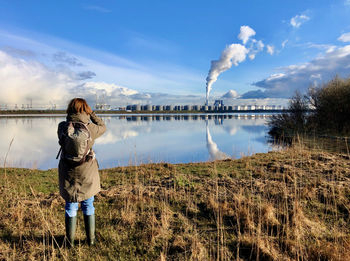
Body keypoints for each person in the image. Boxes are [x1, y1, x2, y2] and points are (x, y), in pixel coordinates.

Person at [57, 98, 106, 247]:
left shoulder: (62, 127)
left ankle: (69, 243)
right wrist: (93, 114)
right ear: (86, 110)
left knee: (70, 205)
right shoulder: (90, 128)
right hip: (87, 171)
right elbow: (103, 126)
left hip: (68, 172)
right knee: (88, 203)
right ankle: (91, 241)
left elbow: (62, 142)